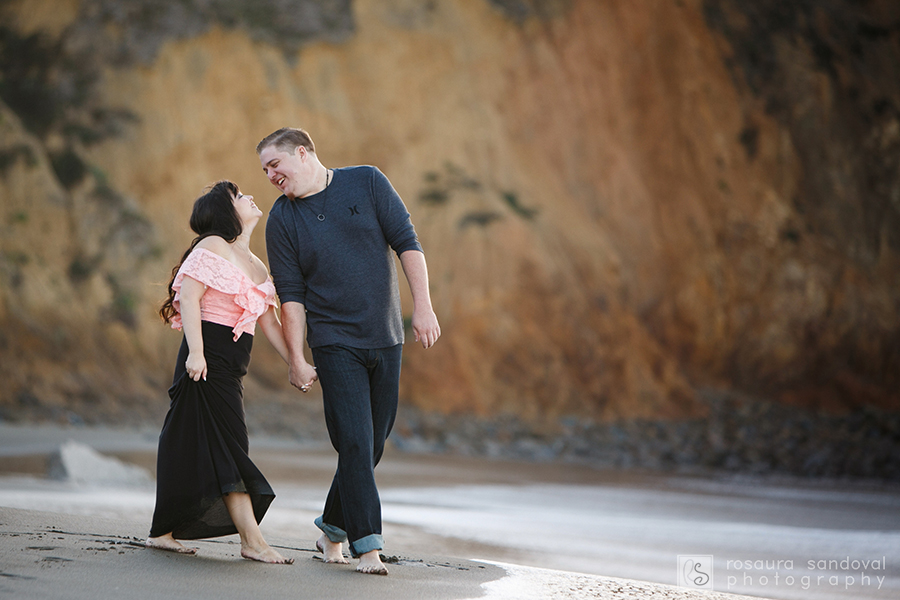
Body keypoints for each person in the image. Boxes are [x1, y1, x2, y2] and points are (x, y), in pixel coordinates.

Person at [257, 127, 440, 575]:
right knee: (355, 441)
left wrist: (424, 309)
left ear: (302, 153)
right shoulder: (282, 219)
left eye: (274, 165)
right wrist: (298, 358)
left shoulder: (367, 182)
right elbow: (292, 297)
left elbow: (407, 244)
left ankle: (332, 529)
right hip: (334, 343)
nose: (269, 176)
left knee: (371, 445)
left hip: (386, 335)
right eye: (263, 170)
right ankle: (369, 547)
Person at [146, 180, 294, 565]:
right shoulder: (212, 245)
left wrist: (296, 360)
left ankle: (163, 531)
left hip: (231, 367)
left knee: (185, 440)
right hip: (205, 359)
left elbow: (270, 324)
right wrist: (196, 352)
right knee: (230, 446)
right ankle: (252, 540)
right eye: (239, 195)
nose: (249, 197)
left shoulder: (258, 265)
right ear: (228, 212)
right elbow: (189, 298)